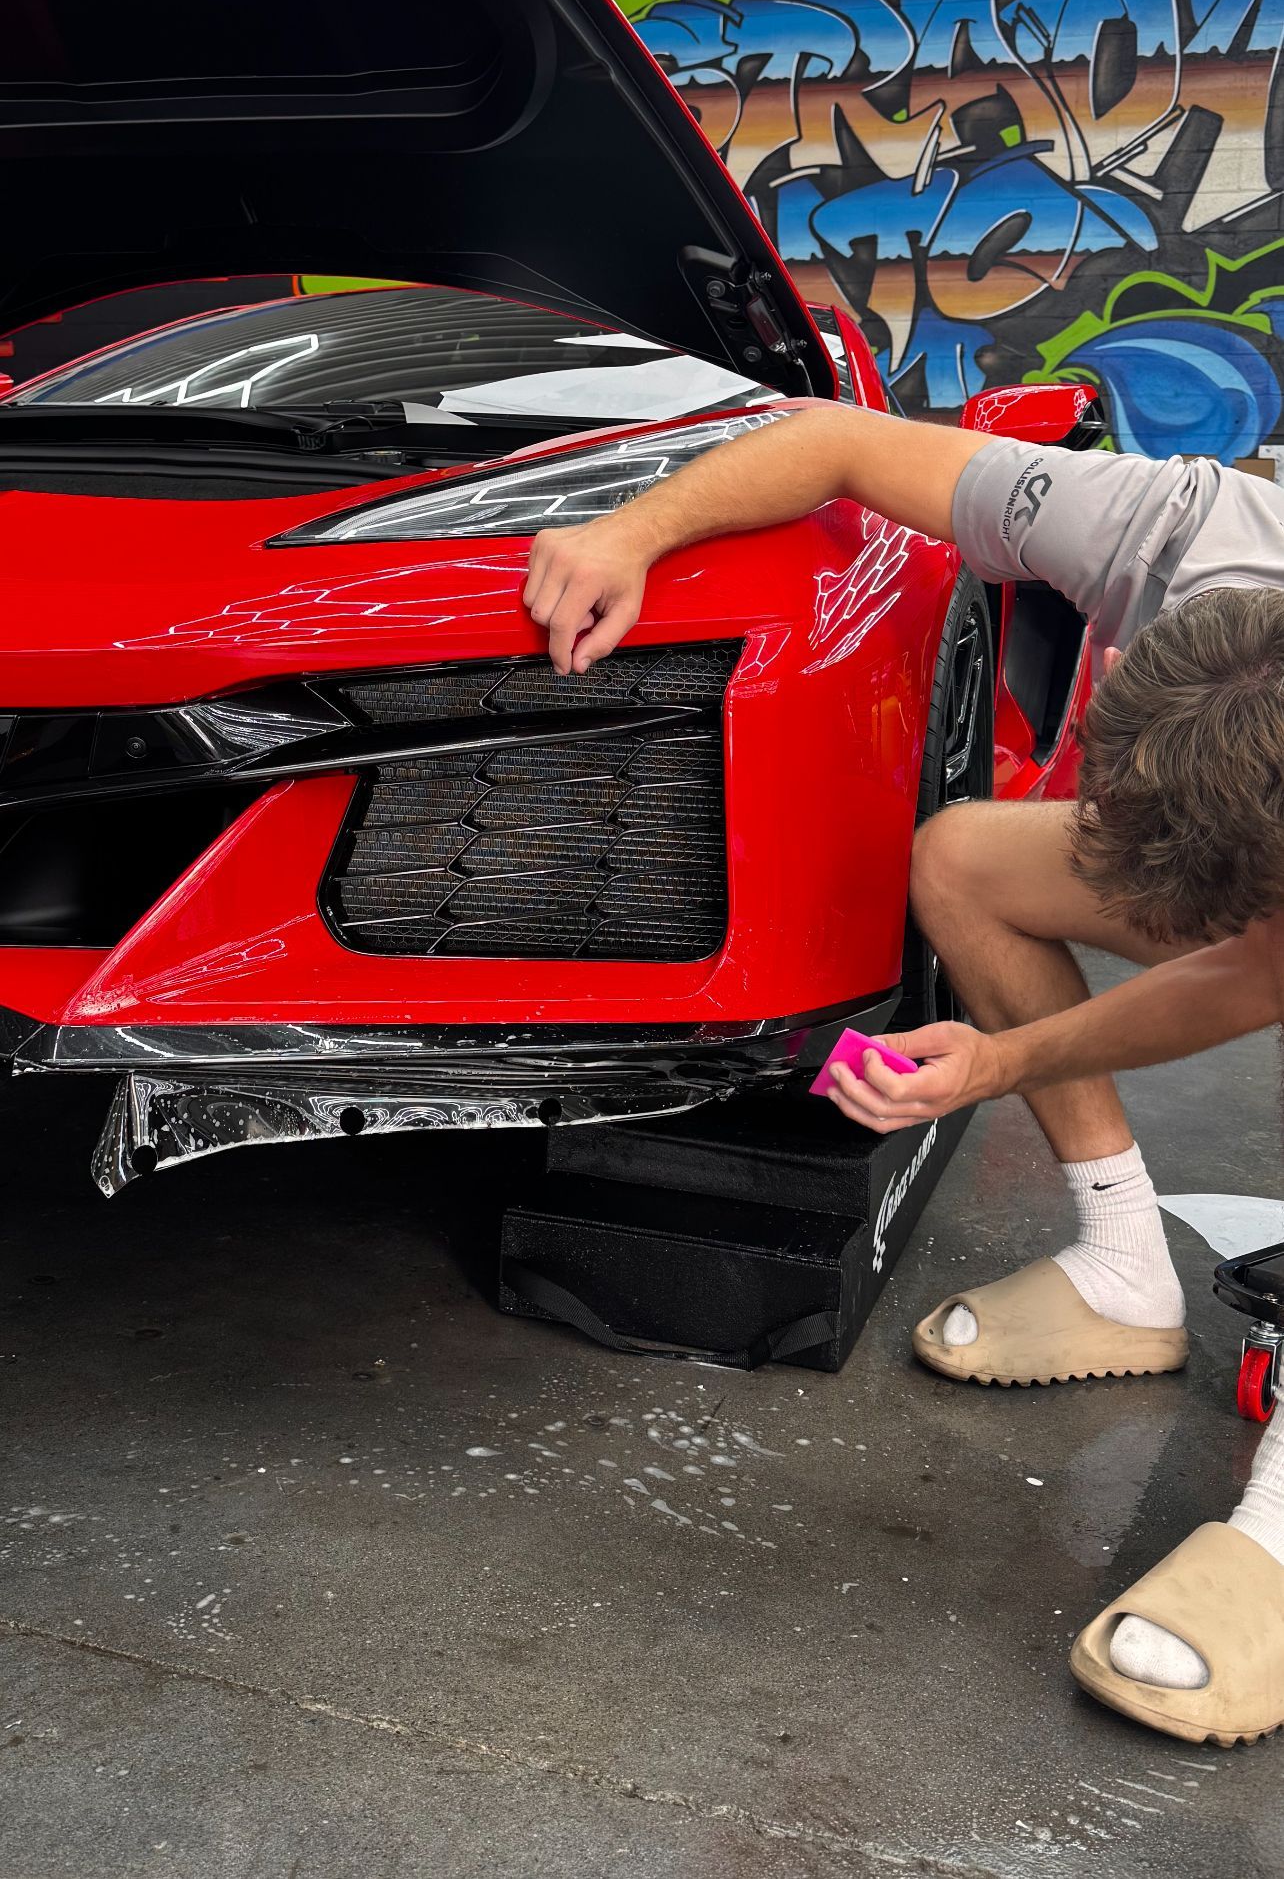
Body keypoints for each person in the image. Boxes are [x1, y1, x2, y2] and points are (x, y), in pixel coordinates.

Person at [522, 404, 1284, 1746]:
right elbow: (835, 441)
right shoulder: (1183, 524)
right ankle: (1123, 1260)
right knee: (968, 857)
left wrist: (1014, 1051)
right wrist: (628, 532)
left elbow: (1255, 978)